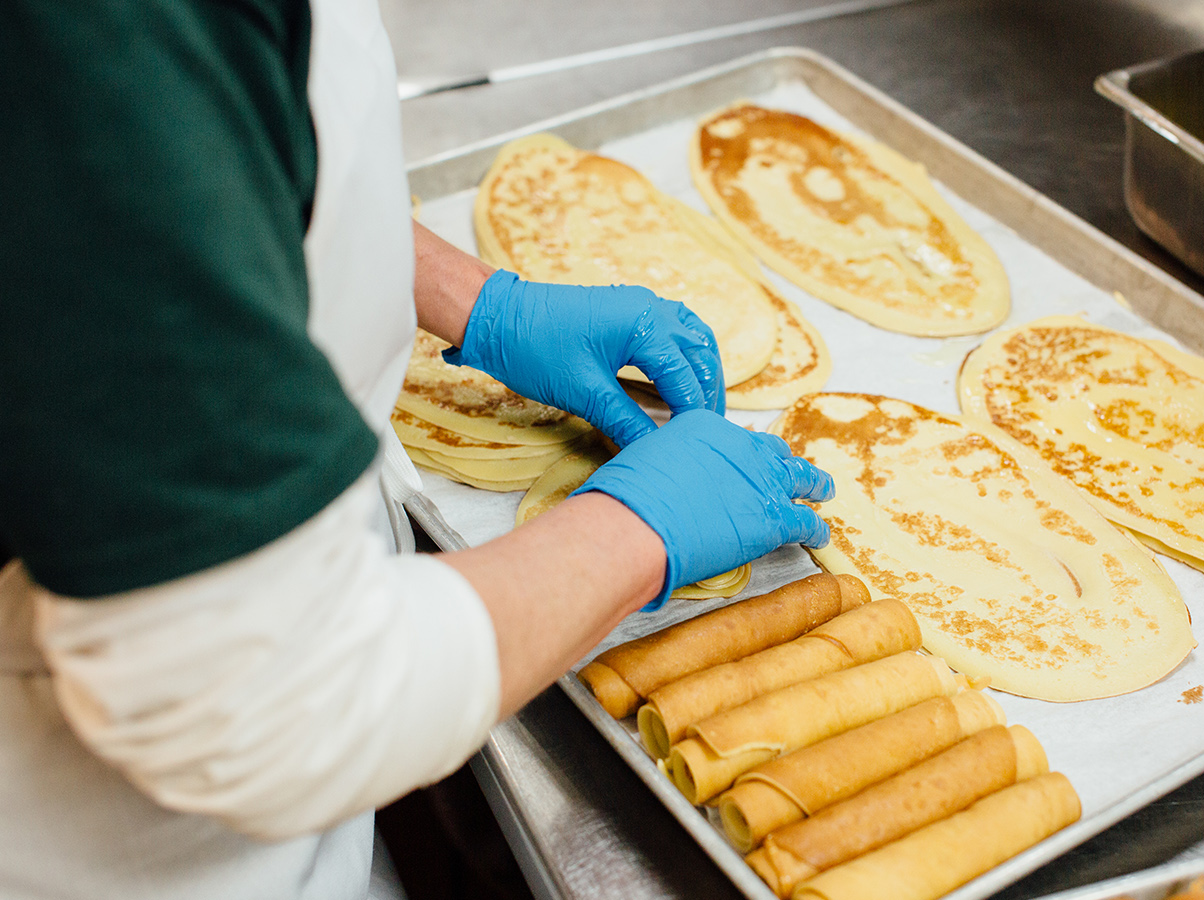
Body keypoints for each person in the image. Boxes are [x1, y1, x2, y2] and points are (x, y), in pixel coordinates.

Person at [0, 1, 833, 897]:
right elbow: (272, 701)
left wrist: (469, 296)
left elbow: (189, 164)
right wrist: (635, 532)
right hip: (130, 841)